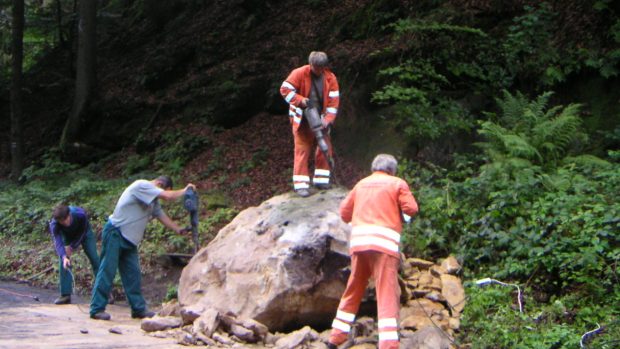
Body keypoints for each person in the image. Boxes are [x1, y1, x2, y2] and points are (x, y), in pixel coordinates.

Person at [328, 154, 419, 349]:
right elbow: (411, 209)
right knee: (386, 291)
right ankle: (388, 343)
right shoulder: (397, 183)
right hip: (384, 245)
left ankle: (336, 337)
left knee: (354, 288)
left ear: (373, 168)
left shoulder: (360, 184)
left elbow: (344, 214)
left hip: (360, 245)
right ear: (392, 170)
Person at [89, 175, 195, 320]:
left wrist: (178, 229)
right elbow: (168, 196)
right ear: (159, 184)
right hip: (116, 232)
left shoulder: (152, 201)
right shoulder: (142, 185)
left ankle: (138, 309)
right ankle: (97, 308)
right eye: (161, 192)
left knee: (133, 275)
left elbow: (161, 215)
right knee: (107, 269)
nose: (160, 197)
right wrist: (185, 190)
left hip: (130, 240)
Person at [280, 51, 340, 197]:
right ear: (311, 64)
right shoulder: (299, 73)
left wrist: (328, 119)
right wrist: (301, 100)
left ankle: (321, 179)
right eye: (316, 67)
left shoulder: (330, 78)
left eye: (322, 67)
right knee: (302, 149)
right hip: (302, 119)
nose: (319, 70)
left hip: (321, 118)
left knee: (325, 147)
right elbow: (285, 89)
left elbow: (333, 102)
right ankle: (301, 185)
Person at [49, 204, 100, 305]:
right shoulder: (54, 224)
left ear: (69, 215)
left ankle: (105, 291)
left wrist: (72, 247)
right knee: (63, 261)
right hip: (67, 236)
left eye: (65, 220)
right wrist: (64, 256)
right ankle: (65, 294)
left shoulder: (80, 214)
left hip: (85, 234)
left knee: (94, 258)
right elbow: (58, 241)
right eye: (61, 222)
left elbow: (83, 232)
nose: (64, 223)